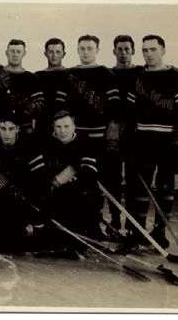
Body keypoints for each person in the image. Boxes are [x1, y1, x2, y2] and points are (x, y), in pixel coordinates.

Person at [126, 35, 178, 248]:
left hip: (166, 140)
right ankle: (138, 231)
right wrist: (128, 138)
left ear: (163, 50)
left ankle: (160, 231)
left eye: (153, 49)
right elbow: (129, 111)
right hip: (143, 139)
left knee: (165, 187)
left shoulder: (177, 76)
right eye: (145, 50)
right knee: (140, 187)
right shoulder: (137, 76)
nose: (148, 54)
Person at [55, 34, 122, 239]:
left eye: (89, 48)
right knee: (82, 181)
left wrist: (112, 136)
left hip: (100, 137)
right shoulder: (69, 74)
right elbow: (60, 106)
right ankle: (90, 222)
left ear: (97, 50)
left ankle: (115, 224)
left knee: (107, 180)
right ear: (77, 50)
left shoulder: (107, 74)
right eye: (82, 48)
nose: (85, 51)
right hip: (76, 138)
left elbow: (116, 108)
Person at [0, 109, 47, 253]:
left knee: (15, 237)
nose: (7, 133)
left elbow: (40, 176)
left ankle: (34, 231)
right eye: (3, 129)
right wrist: (5, 186)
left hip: (21, 198)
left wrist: (24, 189)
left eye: (11, 129)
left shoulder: (29, 145)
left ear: (18, 129)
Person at [43, 110, 100, 254]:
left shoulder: (85, 142)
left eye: (67, 126)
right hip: (56, 198)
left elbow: (89, 174)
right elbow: (42, 174)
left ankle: (89, 228)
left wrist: (67, 175)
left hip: (79, 197)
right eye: (59, 127)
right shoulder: (47, 143)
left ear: (74, 127)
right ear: (53, 127)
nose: (63, 131)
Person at [109, 35, 145, 238]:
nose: (123, 53)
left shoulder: (142, 73)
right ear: (113, 51)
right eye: (119, 49)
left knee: (133, 183)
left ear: (133, 51)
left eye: (127, 49)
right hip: (113, 133)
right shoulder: (109, 73)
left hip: (134, 135)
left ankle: (133, 226)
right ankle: (114, 223)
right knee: (112, 181)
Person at [0, 39, 44, 134]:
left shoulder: (32, 78)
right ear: (6, 53)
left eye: (18, 51)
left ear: (24, 53)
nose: (15, 54)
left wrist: (32, 106)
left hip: (24, 128)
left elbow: (40, 104)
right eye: (12, 51)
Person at [35, 38, 70, 138]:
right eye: (51, 52)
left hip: (65, 126)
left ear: (64, 54)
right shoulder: (38, 76)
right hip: (43, 124)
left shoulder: (71, 74)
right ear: (45, 53)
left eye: (58, 52)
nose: (54, 55)